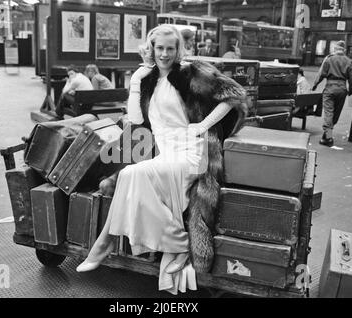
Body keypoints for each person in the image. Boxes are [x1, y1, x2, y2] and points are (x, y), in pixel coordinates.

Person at [76, 25, 247, 294]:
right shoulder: (146, 78)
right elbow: (134, 120)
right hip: (167, 154)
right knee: (130, 176)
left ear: (178, 49)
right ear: (151, 48)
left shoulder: (191, 71)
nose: (165, 54)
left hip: (193, 154)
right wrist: (136, 80)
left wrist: (202, 125)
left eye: (170, 48)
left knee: (134, 175)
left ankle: (104, 242)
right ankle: (175, 243)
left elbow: (234, 96)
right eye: (160, 48)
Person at [312, 40, 352, 147]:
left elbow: (321, 73)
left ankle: (328, 137)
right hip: (342, 89)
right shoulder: (349, 61)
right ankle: (327, 134)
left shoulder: (329, 59)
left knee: (328, 112)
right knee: (336, 113)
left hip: (330, 88)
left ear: (335, 49)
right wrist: (351, 90)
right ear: (344, 50)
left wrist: (315, 84)